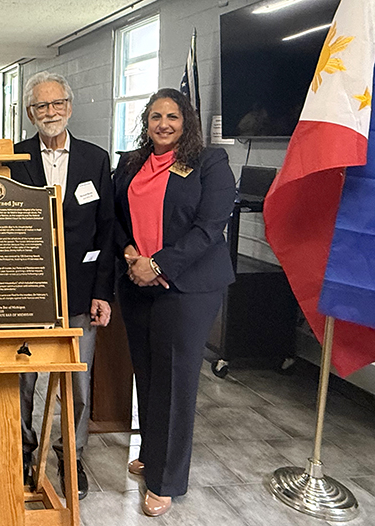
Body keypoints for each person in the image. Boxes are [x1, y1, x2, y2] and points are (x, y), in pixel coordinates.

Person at [113, 88, 235, 517]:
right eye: (155, 117)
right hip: (136, 283)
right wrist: (130, 254)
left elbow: (209, 229)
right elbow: (114, 217)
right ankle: (153, 450)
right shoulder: (130, 162)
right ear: (145, 122)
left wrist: (159, 265)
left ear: (187, 122)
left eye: (173, 117)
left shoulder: (209, 163)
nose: (163, 124)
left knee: (175, 382)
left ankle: (166, 480)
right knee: (147, 374)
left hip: (187, 289)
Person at [10, 71, 114, 500]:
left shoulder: (95, 158)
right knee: (23, 382)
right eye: (40, 107)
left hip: (79, 292)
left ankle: (70, 456)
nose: (49, 113)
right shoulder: (13, 156)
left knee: (77, 383)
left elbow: (107, 229)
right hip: (26, 295)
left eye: (57, 104)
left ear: (69, 107)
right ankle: (22, 455)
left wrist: (102, 292)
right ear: (30, 114)